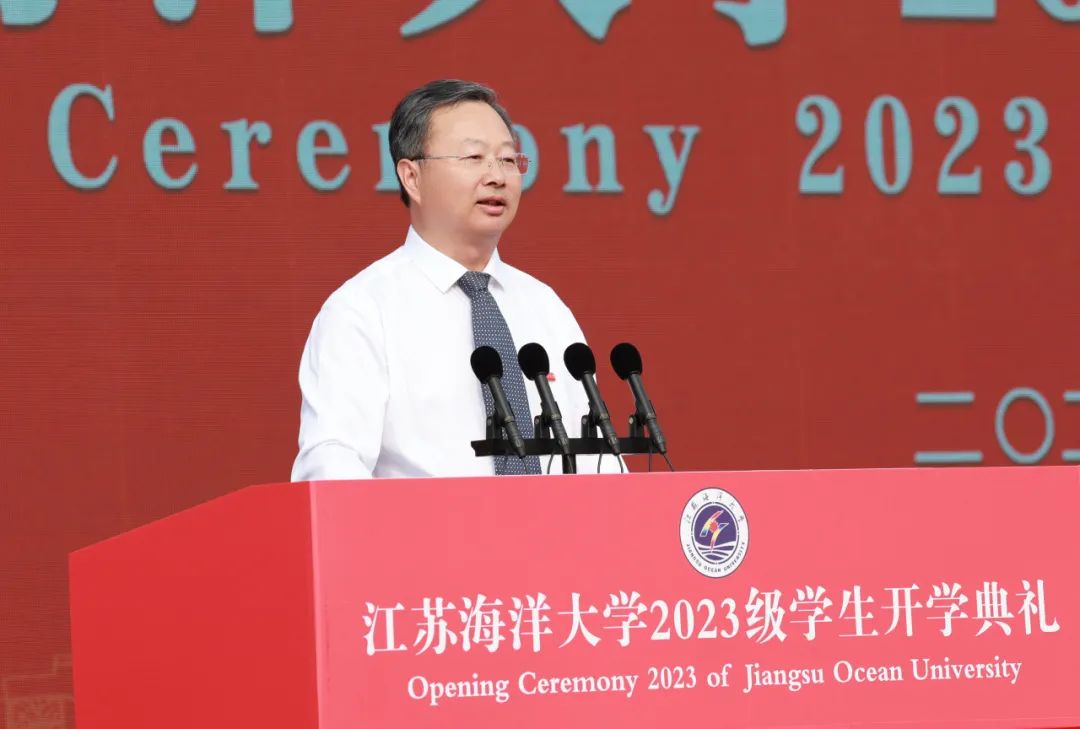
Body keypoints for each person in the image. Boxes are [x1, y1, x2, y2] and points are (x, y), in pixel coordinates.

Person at [291, 79, 619, 480]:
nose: (496, 176)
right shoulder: (362, 311)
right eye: (473, 157)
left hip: (556, 523)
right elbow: (331, 467)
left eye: (507, 159)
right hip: (422, 523)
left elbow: (597, 459)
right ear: (412, 177)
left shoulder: (544, 306)